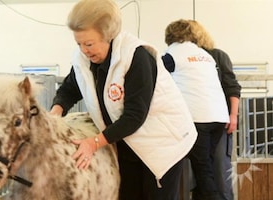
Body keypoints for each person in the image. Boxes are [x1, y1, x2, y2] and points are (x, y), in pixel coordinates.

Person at [50, 0, 198, 199]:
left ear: (108, 35)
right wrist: (55, 113)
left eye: (89, 43)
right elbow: (69, 89)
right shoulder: (84, 59)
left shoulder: (137, 57)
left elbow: (135, 116)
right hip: (126, 144)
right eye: (79, 44)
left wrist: (93, 142)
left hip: (161, 144)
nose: (84, 50)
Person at [162, 19, 232, 200]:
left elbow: (155, 80)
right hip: (218, 117)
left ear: (170, 36)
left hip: (197, 118)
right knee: (205, 166)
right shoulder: (205, 55)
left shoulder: (172, 54)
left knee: (203, 171)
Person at [189, 19, 241, 200]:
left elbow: (232, 87)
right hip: (193, 124)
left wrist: (233, 115)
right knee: (197, 175)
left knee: (220, 171)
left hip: (219, 121)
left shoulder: (217, 56)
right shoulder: (181, 61)